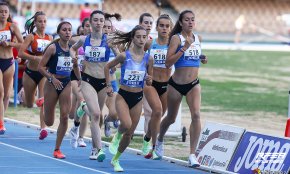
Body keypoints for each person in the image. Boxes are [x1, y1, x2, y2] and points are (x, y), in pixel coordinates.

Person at [155, 10, 208, 167]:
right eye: (187, 20)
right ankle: (159, 139)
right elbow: (168, 63)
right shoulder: (176, 39)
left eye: (193, 19)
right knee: (171, 118)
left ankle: (192, 155)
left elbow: (195, 55)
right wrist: (183, 48)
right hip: (176, 85)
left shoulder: (198, 38)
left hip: (193, 84)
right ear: (181, 23)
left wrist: (202, 58)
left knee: (197, 115)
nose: (190, 22)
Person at [70, 10, 118, 161]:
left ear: (104, 23)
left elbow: (120, 56)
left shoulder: (109, 40)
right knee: (96, 114)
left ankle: (82, 109)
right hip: (87, 80)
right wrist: (74, 58)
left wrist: (115, 65)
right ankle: (99, 149)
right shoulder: (84, 39)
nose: (98, 23)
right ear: (90, 23)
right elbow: (72, 49)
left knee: (97, 118)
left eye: (101, 20)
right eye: (95, 20)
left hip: (104, 82)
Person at [106, 25, 153, 172]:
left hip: (137, 97)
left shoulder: (148, 58)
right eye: (138, 36)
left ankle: (116, 159)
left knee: (130, 134)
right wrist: (108, 85)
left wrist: (149, 80)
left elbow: (149, 80)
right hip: (123, 96)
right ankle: (116, 136)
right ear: (132, 38)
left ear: (146, 39)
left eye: (143, 37)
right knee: (125, 124)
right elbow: (107, 67)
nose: (141, 39)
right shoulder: (124, 56)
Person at [38, 21, 79, 159]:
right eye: (64, 30)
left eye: (69, 30)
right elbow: (41, 67)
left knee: (64, 116)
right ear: (59, 32)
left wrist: (80, 78)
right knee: (49, 122)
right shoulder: (52, 48)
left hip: (66, 83)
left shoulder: (73, 49)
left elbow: (75, 68)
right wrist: (51, 79)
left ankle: (57, 149)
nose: (67, 32)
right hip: (51, 83)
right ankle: (43, 104)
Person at [141, 14, 173, 159]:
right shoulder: (149, 44)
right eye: (162, 25)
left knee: (159, 115)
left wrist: (201, 57)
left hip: (167, 84)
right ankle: (155, 147)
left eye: (167, 26)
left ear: (170, 28)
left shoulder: (173, 45)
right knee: (158, 111)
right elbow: (137, 59)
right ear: (157, 27)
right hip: (151, 83)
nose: (164, 28)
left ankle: (148, 136)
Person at [18, 11, 52, 140]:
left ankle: (43, 128)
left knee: (42, 100)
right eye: (40, 21)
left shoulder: (49, 38)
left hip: (43, 72)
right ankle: (23, 94)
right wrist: (34, 58)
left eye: (44, 21)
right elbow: (21, 53)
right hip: (30, 73)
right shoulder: (31, 37)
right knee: (29, 104)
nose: (42, 24)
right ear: (35, 23)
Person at [0, 2, 23, 134]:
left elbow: (22, 44)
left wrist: (9, 43)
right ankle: (1, 123)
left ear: (8, 14)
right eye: (0, 11)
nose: (3, 14)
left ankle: (1, 119)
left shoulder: (13, 27)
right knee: (0, 91)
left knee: (7, 94)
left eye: (5, 12)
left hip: (9, 62)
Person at [68, 18, 91, 149]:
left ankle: (80, 136)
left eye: (91, 26)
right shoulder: (78, 40)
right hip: (75, 75)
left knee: (82, 105)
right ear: (82, 28)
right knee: (81, 103)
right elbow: (67, 39)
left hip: (89, 77)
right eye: (87, 26)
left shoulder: (97, 42)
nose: (89, 29)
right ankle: (75, 128)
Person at [103, 13, 121, 137]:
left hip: (112, 81)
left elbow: (121, 60)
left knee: (114, 113)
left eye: (109, 27)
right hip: (99, 82)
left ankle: (107, 120)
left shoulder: (113, 43)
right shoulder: (93, 42)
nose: (106, 29)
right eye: (105, 26)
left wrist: (115, 66)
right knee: (97, 112)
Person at [138, 12, 154, 134]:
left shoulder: (153, 41)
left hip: (146, 80)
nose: (148, 25)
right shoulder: (132, 40)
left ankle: (146, 143)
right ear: (140, 24)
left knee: (148, 111)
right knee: (133, 112)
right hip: (132, 81)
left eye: (150, 23)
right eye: (146, 22)